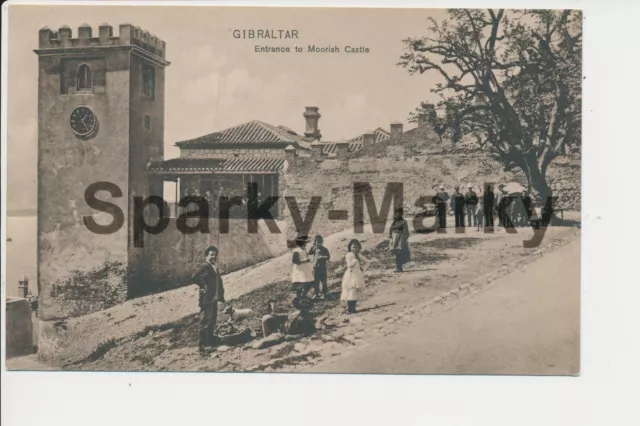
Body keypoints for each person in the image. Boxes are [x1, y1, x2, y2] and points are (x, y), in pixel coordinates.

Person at [192, 245, 225, 354]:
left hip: (214, 299)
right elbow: (195, 276)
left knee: (212, 320)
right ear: (206, 256)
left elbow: (218, 283)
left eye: (215, 255)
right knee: (205, 321)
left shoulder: (214, 267)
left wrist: (221, 297)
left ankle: (210, 341)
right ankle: (203, 346)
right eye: (211, 255)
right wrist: (203, 285)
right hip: (207, 299)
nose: (213, 257)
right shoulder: (205, 266)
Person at [341, 239, 370, 314]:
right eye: (353, 247)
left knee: (355, 292)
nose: (355, 249)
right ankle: (350, 309)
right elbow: (349, 265)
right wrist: (355, 259)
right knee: (351, 291)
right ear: (350, 247)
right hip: (350, 275)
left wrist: (362, 268)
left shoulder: (358, 255)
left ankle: (353, 308)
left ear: (359, 248)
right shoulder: (349, 255)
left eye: (356, 247)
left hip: (357, 275)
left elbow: (367, 262)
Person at [308, 235, 331, 299]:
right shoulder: (314, 249)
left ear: (321, 242)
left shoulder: (324, 249)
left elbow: (328, 257)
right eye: (316, 242)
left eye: (319, 242)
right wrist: (313, 247)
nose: (317, 244)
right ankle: (316, 294)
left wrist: (322, 257)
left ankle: (325, 293)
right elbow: (309, 254)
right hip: (315, 268)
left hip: (322, 268)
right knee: (316, 282)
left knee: (323, 281)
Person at [388, 208, 411, 272]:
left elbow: (407, 232)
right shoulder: (394, 222)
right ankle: (398, 267)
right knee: (396, 253)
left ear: (401, 214)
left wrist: (404, 239)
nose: (397, 215)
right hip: (394, 238)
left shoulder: (404, 222)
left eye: (398, 213)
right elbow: (390, 230)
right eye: (396, 213)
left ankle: (399, 267)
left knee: (400, 252)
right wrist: (390, 238)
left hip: (401, 238)